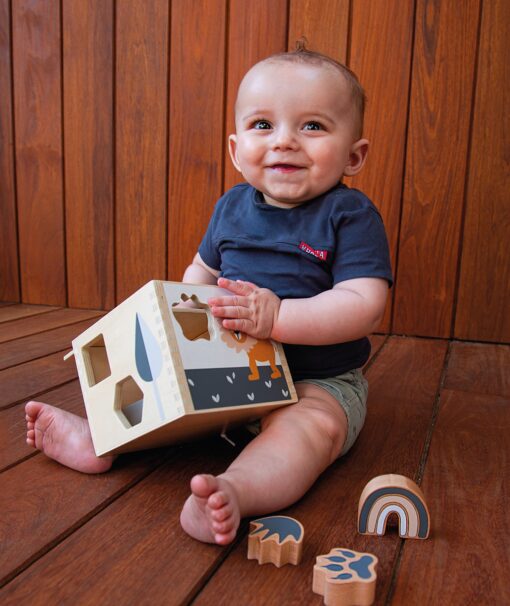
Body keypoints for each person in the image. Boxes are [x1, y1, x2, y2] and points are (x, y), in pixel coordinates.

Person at [25, 48, 392, 546]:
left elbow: (363, 303)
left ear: (353, 155)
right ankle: (101, 440)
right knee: (162, 392)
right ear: (237, 150)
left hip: (316, 379)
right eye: (264, 125)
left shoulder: (349, 216)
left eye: (312, 126)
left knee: (310, 430)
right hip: (226, 367)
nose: (284, 140)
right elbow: (201, 272)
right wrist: (174, 320)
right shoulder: (232, 207)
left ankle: (235, 491)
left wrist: (279, 317)